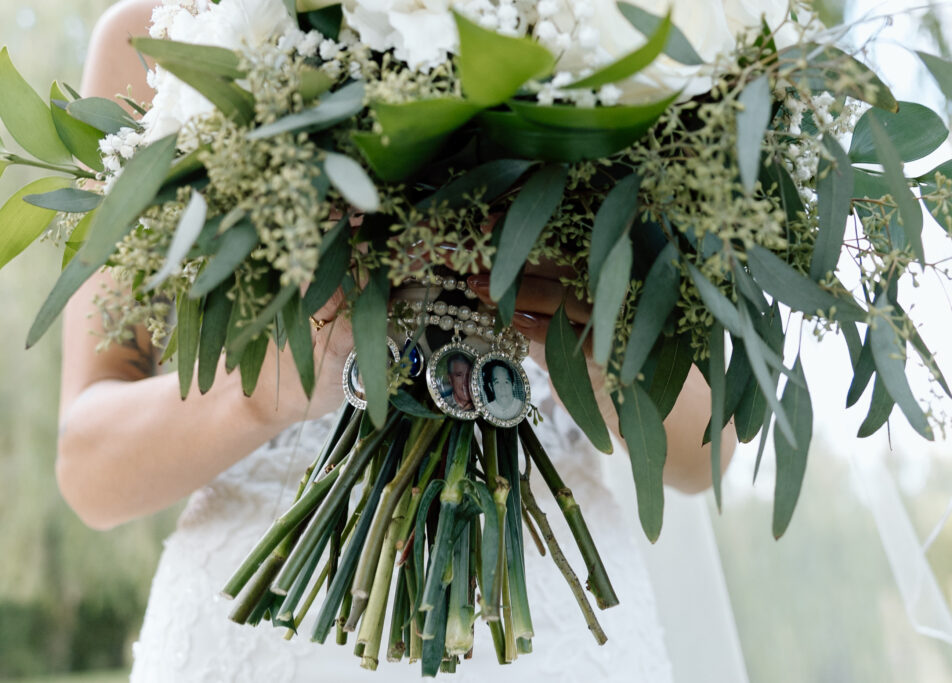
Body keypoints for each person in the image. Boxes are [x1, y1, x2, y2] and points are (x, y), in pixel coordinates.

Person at [57, 2, 738, 680]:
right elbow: (89, 466)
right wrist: (259, 396)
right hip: (250, 636)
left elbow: (704, 455)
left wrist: (600, 347)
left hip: (550, 628)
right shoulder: (161, 33)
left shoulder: (608, 19)